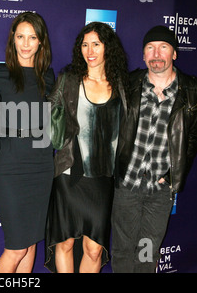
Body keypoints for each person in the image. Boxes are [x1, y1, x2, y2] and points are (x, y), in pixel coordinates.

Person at [111, 25, 197, 273]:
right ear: (143, 55)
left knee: (146, 252)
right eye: (150, 48)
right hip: (127, 184)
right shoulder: (129, 84)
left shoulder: (192, 91)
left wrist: (173, 177)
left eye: (163, 47)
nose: (156, 54)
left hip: (160, 190)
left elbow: (191, 139)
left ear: (174, 53)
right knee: (121, 251)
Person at [44, 22, 128, 273]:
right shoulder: (68, 80)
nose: (89, 50)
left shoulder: (122, 84)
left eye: (96, 44)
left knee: (94, 249)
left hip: (103, 179)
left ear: (107, 48)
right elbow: (46, 114)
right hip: (69, 175)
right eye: (84, 44)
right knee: (66, 243)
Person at [0, 12, 54, 273]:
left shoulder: (48, 76)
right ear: (13, 39)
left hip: (41, 162)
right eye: (20, 36)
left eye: (32, 37)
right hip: (9, 163)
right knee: (16, 247)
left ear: (40, 42)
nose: (26, 44)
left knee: (31, 242)